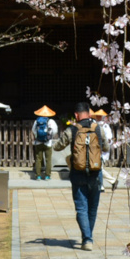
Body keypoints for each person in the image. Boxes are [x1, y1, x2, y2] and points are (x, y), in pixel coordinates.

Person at [54, 101, 111, 250]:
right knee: (92, 208)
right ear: (90, 114)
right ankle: (88, 238)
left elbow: (58, 146)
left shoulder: (72, 130)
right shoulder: (98, 129)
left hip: (77, 173)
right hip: (95, 173)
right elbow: (106, 147)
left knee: (81, 208)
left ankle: (87, 238)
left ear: (76, 115)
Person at [31, 106, 58, 180]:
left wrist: (38, 136)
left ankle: (38, 176)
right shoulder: (51, 121)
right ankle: (47, 176)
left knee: (38, 159)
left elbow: (33, 130)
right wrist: (50, 137)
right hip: (48, 143)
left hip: (38, 142)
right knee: (48, 159)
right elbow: (55, 131)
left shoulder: (36, 121)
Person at [92, 109, 117, 188]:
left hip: (102, 149)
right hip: (95, 148)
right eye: (97, 116)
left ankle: (104, 184)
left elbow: (108, 138)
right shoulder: (94, 124)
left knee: (99, 167)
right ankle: (109, 182)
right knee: (98, 167)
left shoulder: (105, 126)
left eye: (100, 116)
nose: (98, 117)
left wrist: (103, 147)